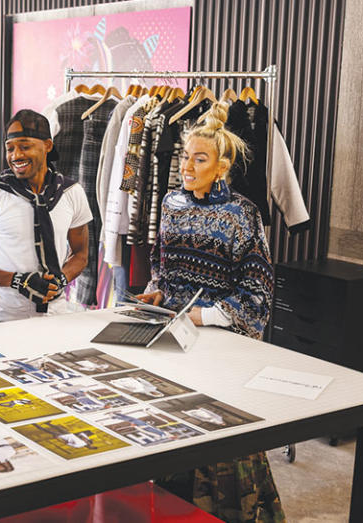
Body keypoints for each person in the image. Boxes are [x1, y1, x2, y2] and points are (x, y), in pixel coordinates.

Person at [135, 103, 284, 522]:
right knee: (170, 430)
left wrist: (198, 316)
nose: (187, 165)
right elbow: (162, 273)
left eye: (199, 159)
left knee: (218, 438)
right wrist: (155, 295)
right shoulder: (169, 204)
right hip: (170, 340)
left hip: (220, 346)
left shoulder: (243, 215)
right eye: (185, 156)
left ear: (222, 167)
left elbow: (258, 298)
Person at [0, 109, 92, 322]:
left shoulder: (71, 192)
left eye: (25, 146)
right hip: (4, 317)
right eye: (10, 148)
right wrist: (18, 281)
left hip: (55, 316)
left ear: (47, 146)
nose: (16, 156)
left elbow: (80, 254)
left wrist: (61, 279)